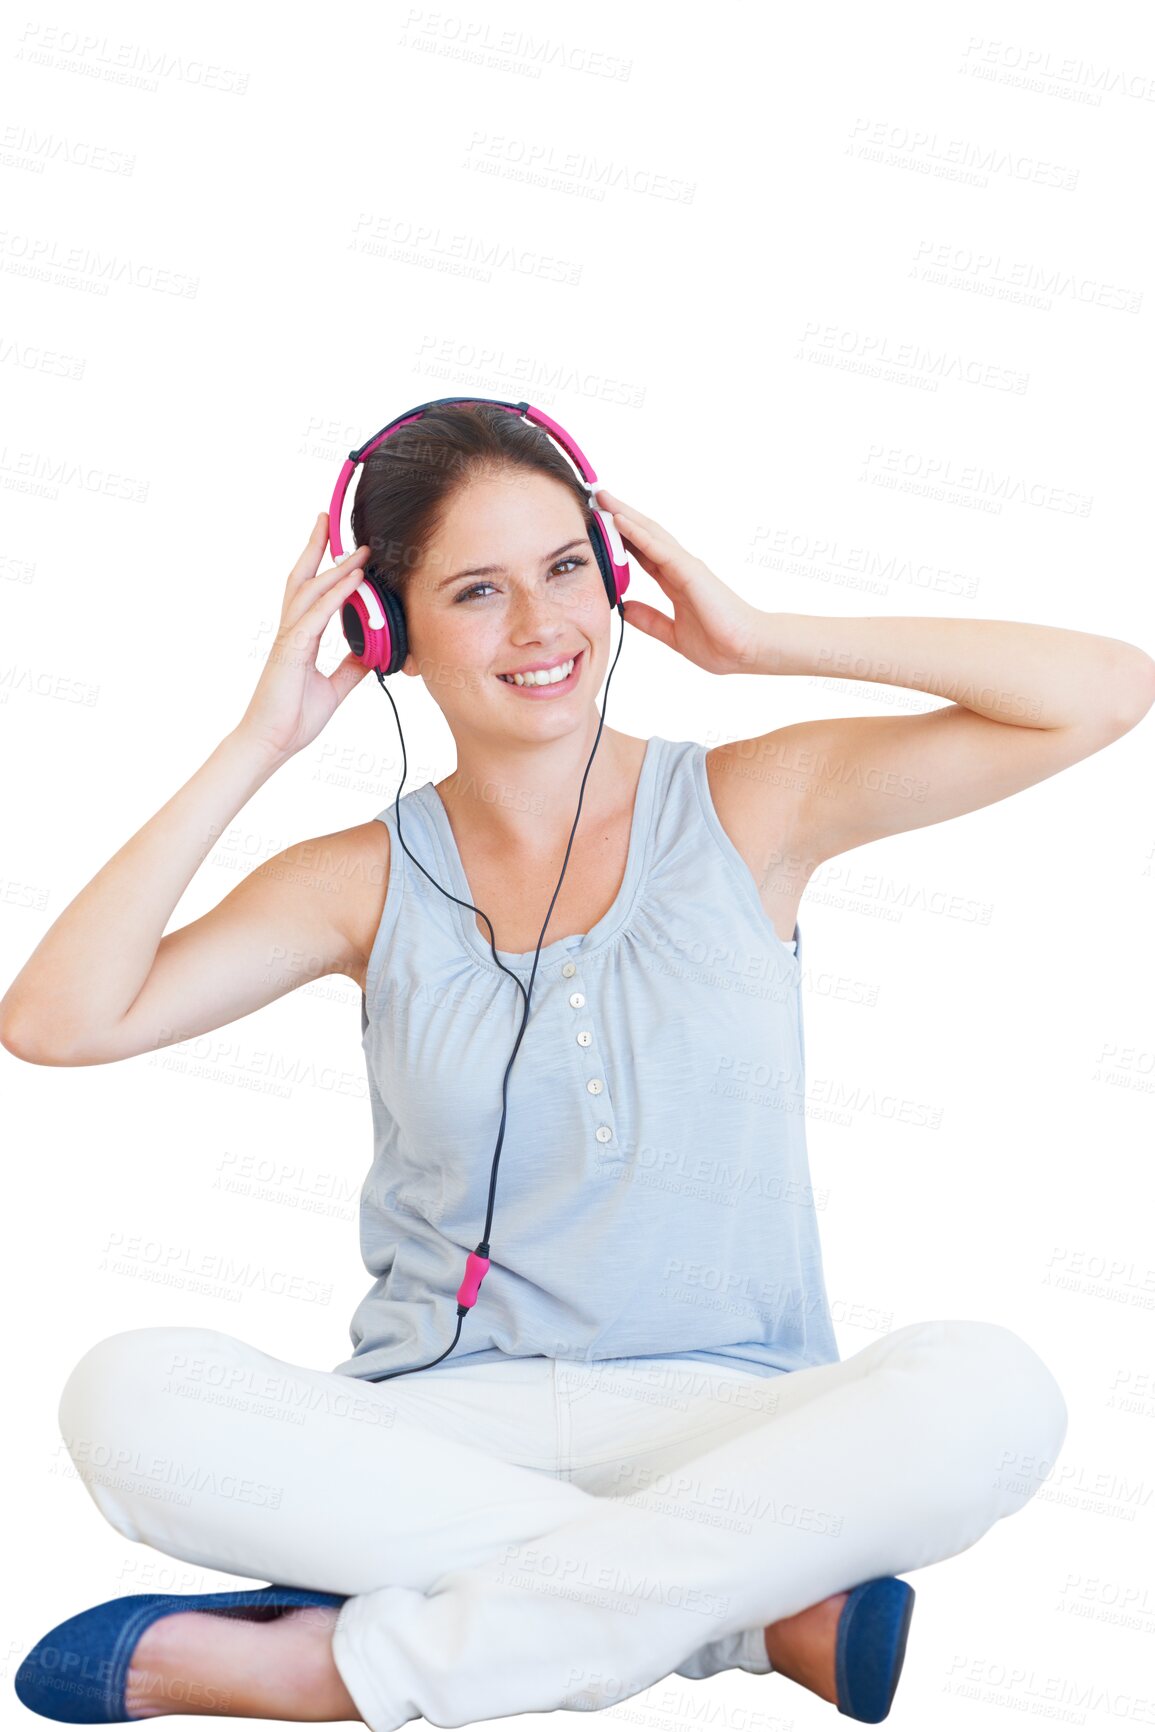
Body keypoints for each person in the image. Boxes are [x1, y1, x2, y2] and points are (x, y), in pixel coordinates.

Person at [3, 402, 1152, 1728]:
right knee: (130, 1398)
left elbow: (1107, 691)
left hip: (738, 1425)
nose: (542, 627)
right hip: (437, 1425)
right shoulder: (355, 881)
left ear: (613, 574)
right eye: (477, 592)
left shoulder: (751, 804)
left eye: (564, 569)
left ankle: (334, 1669)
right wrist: (263, 739)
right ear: (386, 631)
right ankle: (748, 1618)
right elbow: (55, 1022)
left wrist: (762, 643)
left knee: (989, 1392)